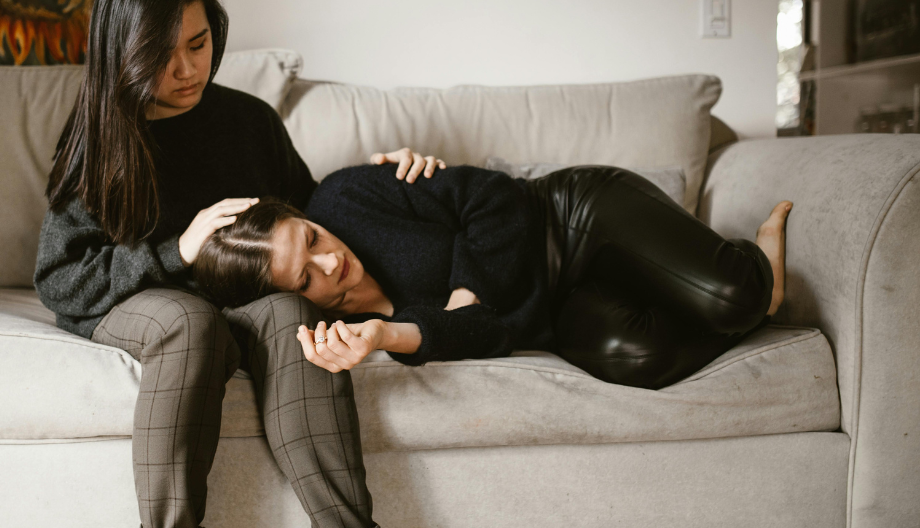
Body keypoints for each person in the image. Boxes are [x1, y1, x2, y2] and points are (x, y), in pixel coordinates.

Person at [33, 0, 445, 528]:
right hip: (142, 302)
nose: (186, 71)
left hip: (249, 308)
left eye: (198, 45)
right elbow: (61, 278)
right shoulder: (102, 137)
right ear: (123, 52)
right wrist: (176, 252)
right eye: (161, 56)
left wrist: (394, 186)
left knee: (293, 316)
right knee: (187, 319)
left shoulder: (250, 121)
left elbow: (318, 221)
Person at [192, 163, 793, 389]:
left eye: (313, 239)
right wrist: (386, 336)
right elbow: (486, 337)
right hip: (556, 313)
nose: (331, 260)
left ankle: (751, 267)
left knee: (735, 295)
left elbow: (492, 196)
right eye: (305, 279)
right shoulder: (337, 331)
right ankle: (696, 288)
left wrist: (466, 294)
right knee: (636, 358)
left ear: (305, 217)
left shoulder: (344, 195)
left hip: (569, 221)